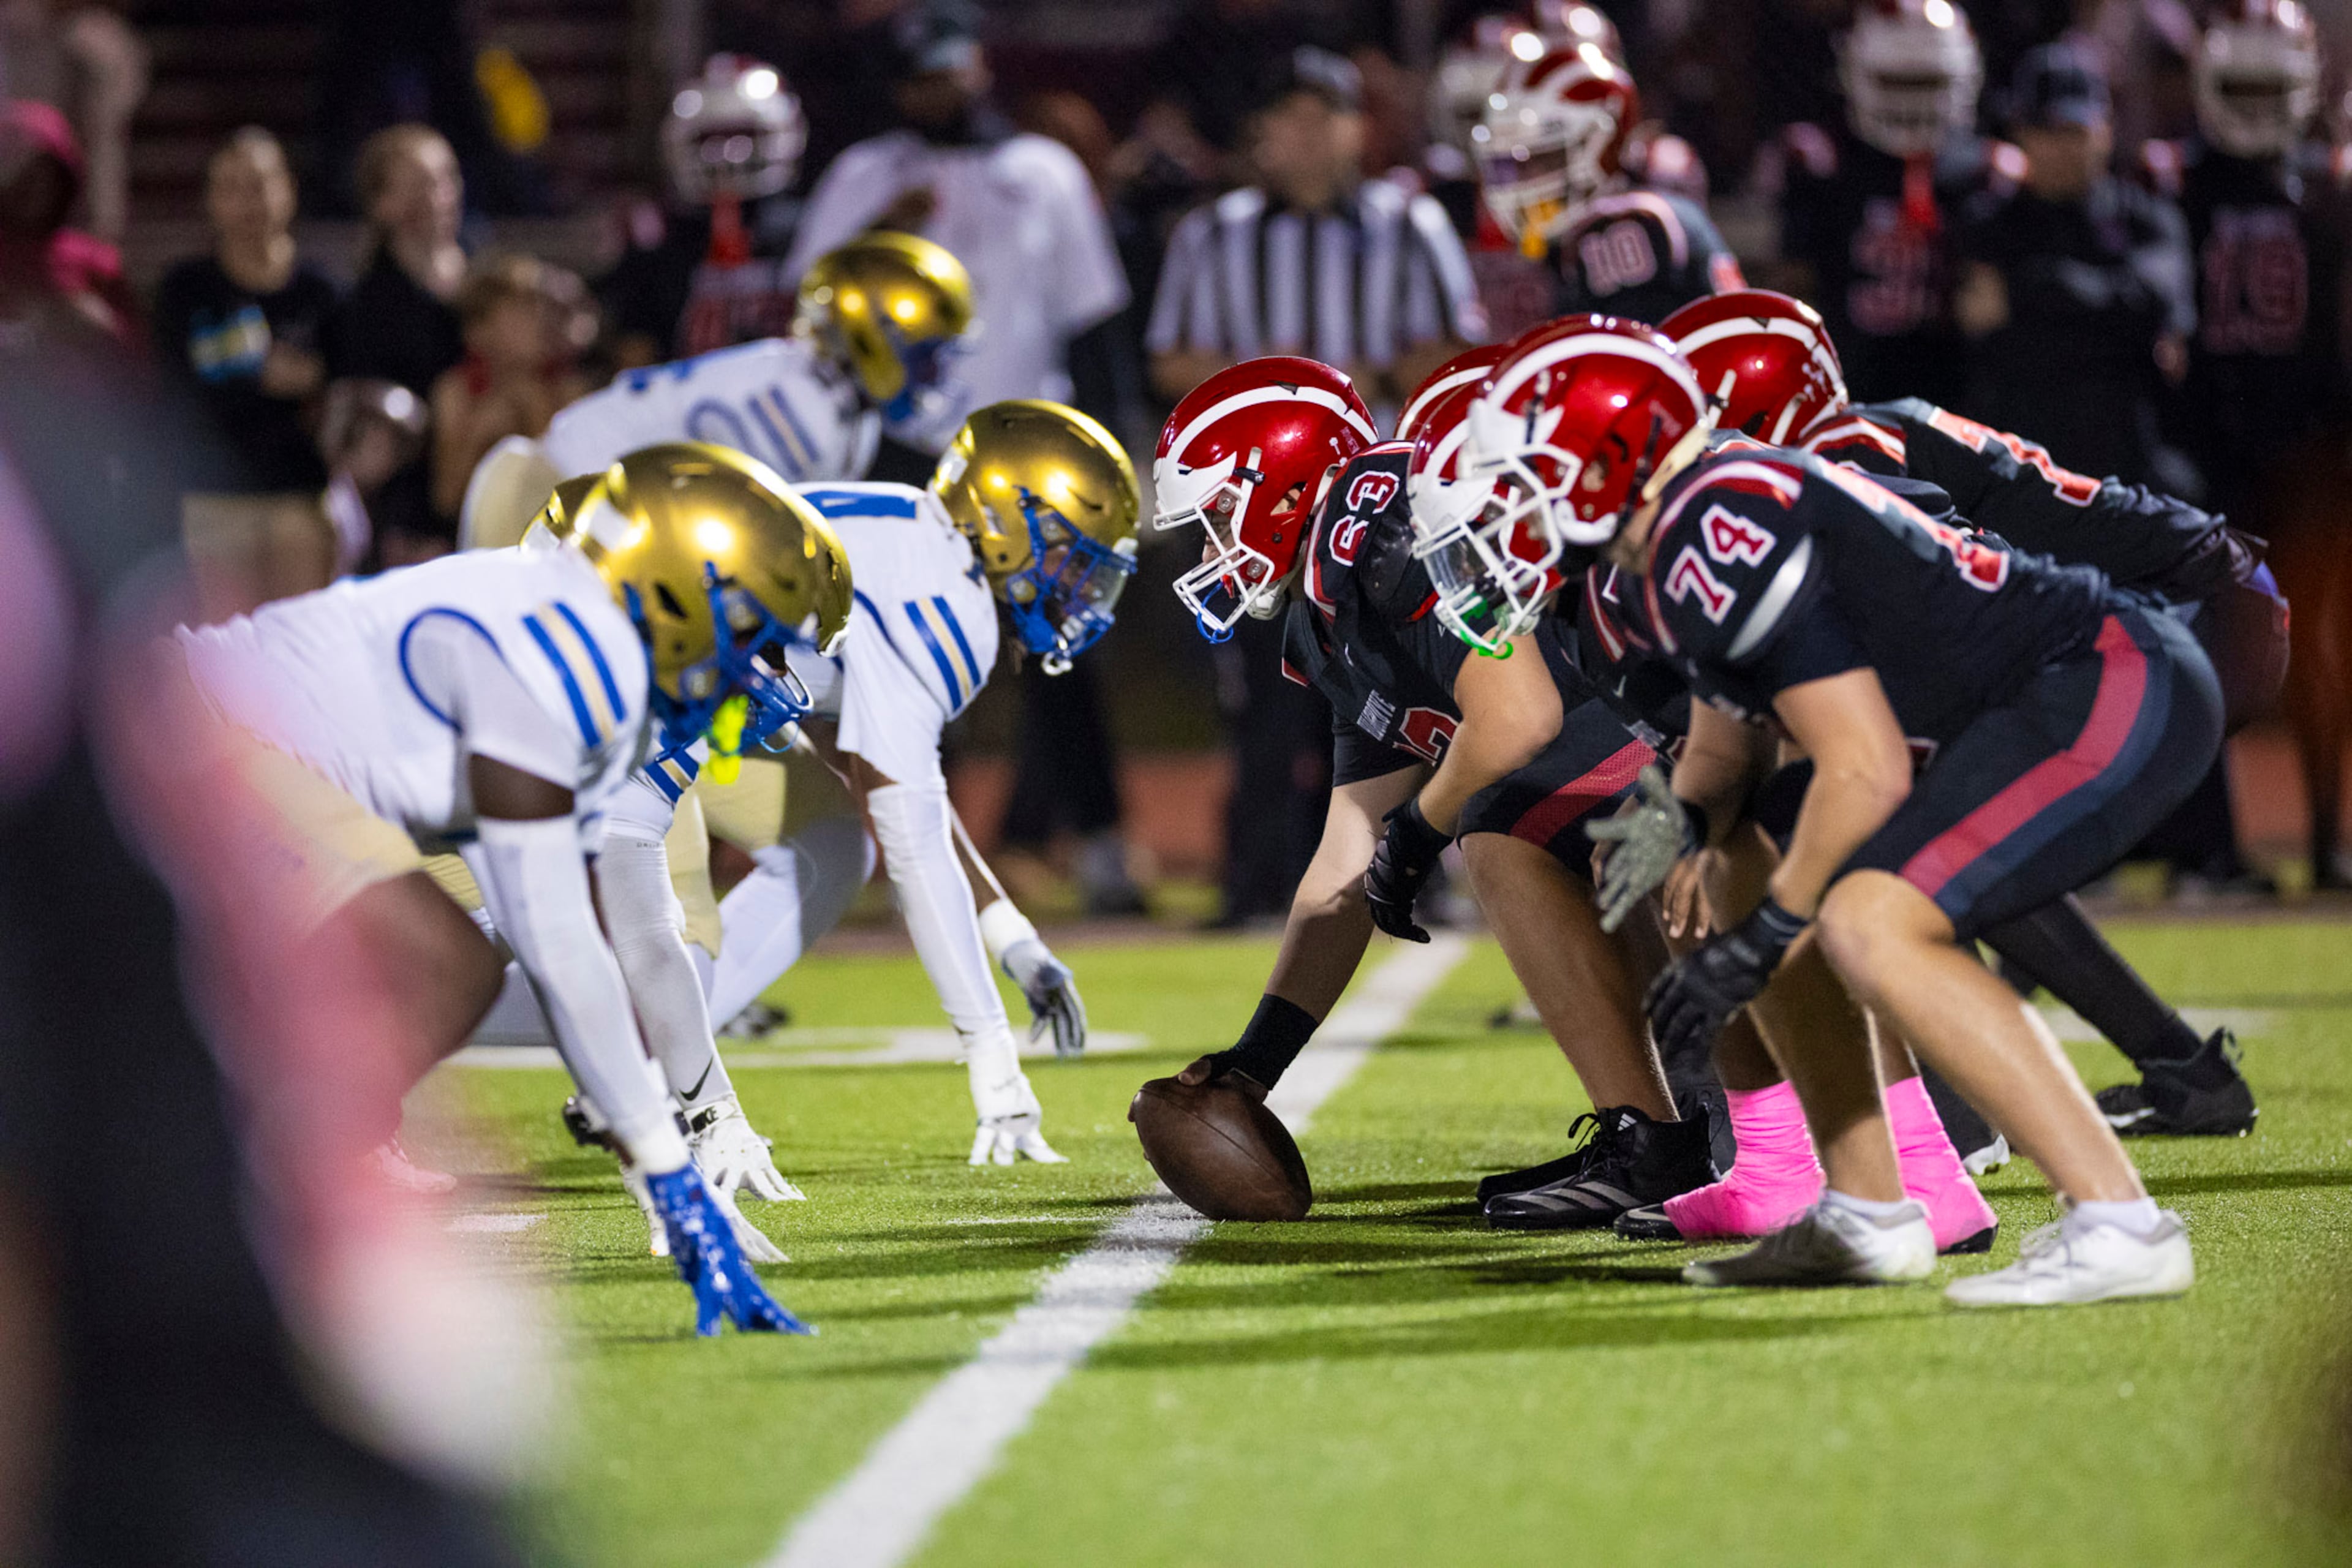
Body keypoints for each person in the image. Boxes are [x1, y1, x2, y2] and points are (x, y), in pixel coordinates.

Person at [1459, 318, 2218, 1305]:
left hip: (2105, 678)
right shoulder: (1671, 541)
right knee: (1728, 856)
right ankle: (1868, 1212)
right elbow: (1731, 743)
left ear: (1607, 460)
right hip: (2033, 701)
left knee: (1871, 922)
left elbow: (1860, 769)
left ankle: (2121, 1224)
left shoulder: (1713, 522)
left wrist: (1771, 930)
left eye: (1528, 478)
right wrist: (1670, 838)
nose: (1514, 509)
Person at [175, 441, 846, 1335]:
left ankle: (213, 1211)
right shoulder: (559, 654)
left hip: (220, 751)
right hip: (190, 739)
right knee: (432, 961)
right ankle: (213, 1229)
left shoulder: (605, 678)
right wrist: (669, 1177)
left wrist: (662, 1168)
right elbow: (562, 947)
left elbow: (588, 944)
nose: (771, 677)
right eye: (760, 636)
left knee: (429, 964)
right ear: (687, 591)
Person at [1665, 287, 2273, 1148]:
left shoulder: (1824, 469)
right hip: (2194, 594)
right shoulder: (1863, 437)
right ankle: (2178, 1072)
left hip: (2179, 620)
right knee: (1934, 827)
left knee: (1878, 832)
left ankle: (1963, 1117)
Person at [1151, 352, 1719, 1228]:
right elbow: (1350, 848)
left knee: (1500, 820)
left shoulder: (1390, 526)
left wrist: (1419, 832)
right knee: (1504, 822)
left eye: (1220, 513)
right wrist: (1255, 1062)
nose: (1211, 546)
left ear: (1284, 481)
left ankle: (1705, 1122)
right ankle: (1657, 1136)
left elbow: (1518, 719)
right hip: (1639, 797)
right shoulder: (1324, 611)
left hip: (1703, 783)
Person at [513, 401, 1129, 1189]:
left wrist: (1009, 934)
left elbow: (895, 788)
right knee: (648, 913)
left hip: (714, 670)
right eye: (1076, 560)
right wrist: (991, 1051)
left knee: (831, 842)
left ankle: (642, 1063)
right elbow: (913, 837)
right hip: (643, 646)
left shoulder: (921, 536)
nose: (1084, 588)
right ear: (1014, 522)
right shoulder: (950, 607)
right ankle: (636, 1068)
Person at [2140, 0, 2347, 891]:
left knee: (2318, 646)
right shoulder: (2172, 178)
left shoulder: (2330, 185)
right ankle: (2206, 847)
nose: (2260, 107)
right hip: (2209, 444)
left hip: (2308, 444)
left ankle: (2325, 842)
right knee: (2210, 649)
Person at [785, 0, 1129, 462]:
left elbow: (1092, 316)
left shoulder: (1044, 170)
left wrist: (1108, 438)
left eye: (945, 74)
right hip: (890, 440)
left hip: (1022, 430)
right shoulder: (863, 173)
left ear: (978, 65)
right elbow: (807, 306)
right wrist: (882, 231)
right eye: (919, 81)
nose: (936, 92)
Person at [1146, 45, 1485, 412]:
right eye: (1290, 115)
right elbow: (1168, 363)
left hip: (1381, 457)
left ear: (1358, 128)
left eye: (1326, 114)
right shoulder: (1209, 232)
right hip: (1249, 460)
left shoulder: (1413, 222)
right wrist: (1278, 387)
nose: (1308, 132)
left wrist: (1367, 382)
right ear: (1263, 130)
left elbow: (1460, 353)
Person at [1954, 42, 2196, 488]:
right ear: (2019, 133)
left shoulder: (2146, 217)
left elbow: (2154, 306)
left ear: (2105, 129)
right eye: (2046, 131)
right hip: (2018, 479)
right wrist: (2105, 312)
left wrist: (2023, 297)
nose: (2061, 148)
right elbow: (1978, 332)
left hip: (2127, 473)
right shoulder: (1987, 223)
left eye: (2075, 130)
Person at [1768, 0, 2008, 410]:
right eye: (1896, 83)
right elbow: (1795, 297)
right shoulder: (1823, 163)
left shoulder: (1985, 170)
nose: (1909, 105)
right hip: (1853, 388)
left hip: (1956, 394)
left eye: (1926, 85)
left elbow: (1990, 312)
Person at [1474, 41, 1741, 328]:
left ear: (1602, 148)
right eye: (1513, 165)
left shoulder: (1626, 227)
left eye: (1542, 160)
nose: (1522, 182)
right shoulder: (1638, 215)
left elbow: (1624, 364)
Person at [601, 53, 810, 369]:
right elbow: (635, 353)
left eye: (745, 135)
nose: (729, 154)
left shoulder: (810, 225)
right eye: (712, 138)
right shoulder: (658, 233)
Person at [323, 125, 469, 564]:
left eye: (446, 181)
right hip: (414, 525)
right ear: (381, 205)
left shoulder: (487, 283)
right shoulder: (366, 307)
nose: (439, 198)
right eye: (420, 186)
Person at [429, 255, 593, 521]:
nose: (539, 320)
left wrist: (534, 408)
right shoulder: (456, 392)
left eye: (539, 308)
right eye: (521, 311)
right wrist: (479, 435)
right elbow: (446, 499)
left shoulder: (570, 390)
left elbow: (574, 488)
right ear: (479, 331)